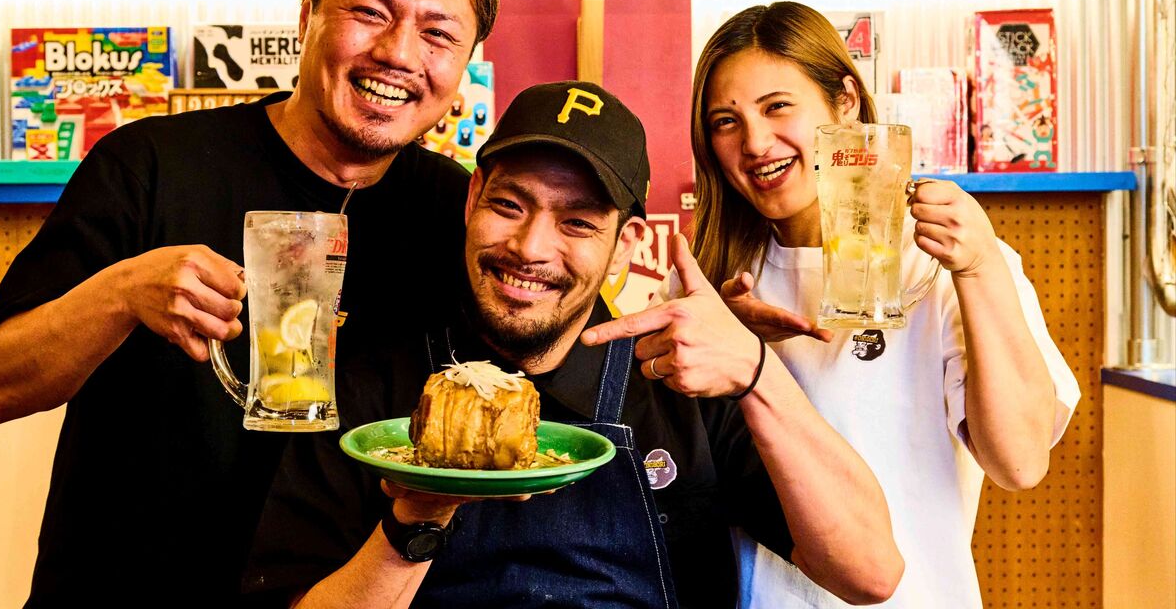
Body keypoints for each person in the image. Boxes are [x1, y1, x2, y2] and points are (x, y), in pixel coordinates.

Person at [0, 0, 501, 606]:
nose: (399, 54)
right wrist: (122, 293)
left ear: (465, 62)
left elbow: (562, 347)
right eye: (371, 12)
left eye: (438, 34)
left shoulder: (456, 212)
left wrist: (666, 347)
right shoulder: (151, 164)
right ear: (307, 16)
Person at [243, 81, 903, 608]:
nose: (530, 248)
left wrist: (758, 372)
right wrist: (415, 518)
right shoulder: (372, 394)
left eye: (578, 223)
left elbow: (869, 573)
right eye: (509, 205)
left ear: (624, 246)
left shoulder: (682, 388)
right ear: (472, 200)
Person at [646, 1, 1080, 608]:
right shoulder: (704, 281)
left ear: (845, 101)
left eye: (777, 107)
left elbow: (1020, 463)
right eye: (726, 121)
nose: (755, 142)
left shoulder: (940, 263)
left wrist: (980, 266)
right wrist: (724, 347)